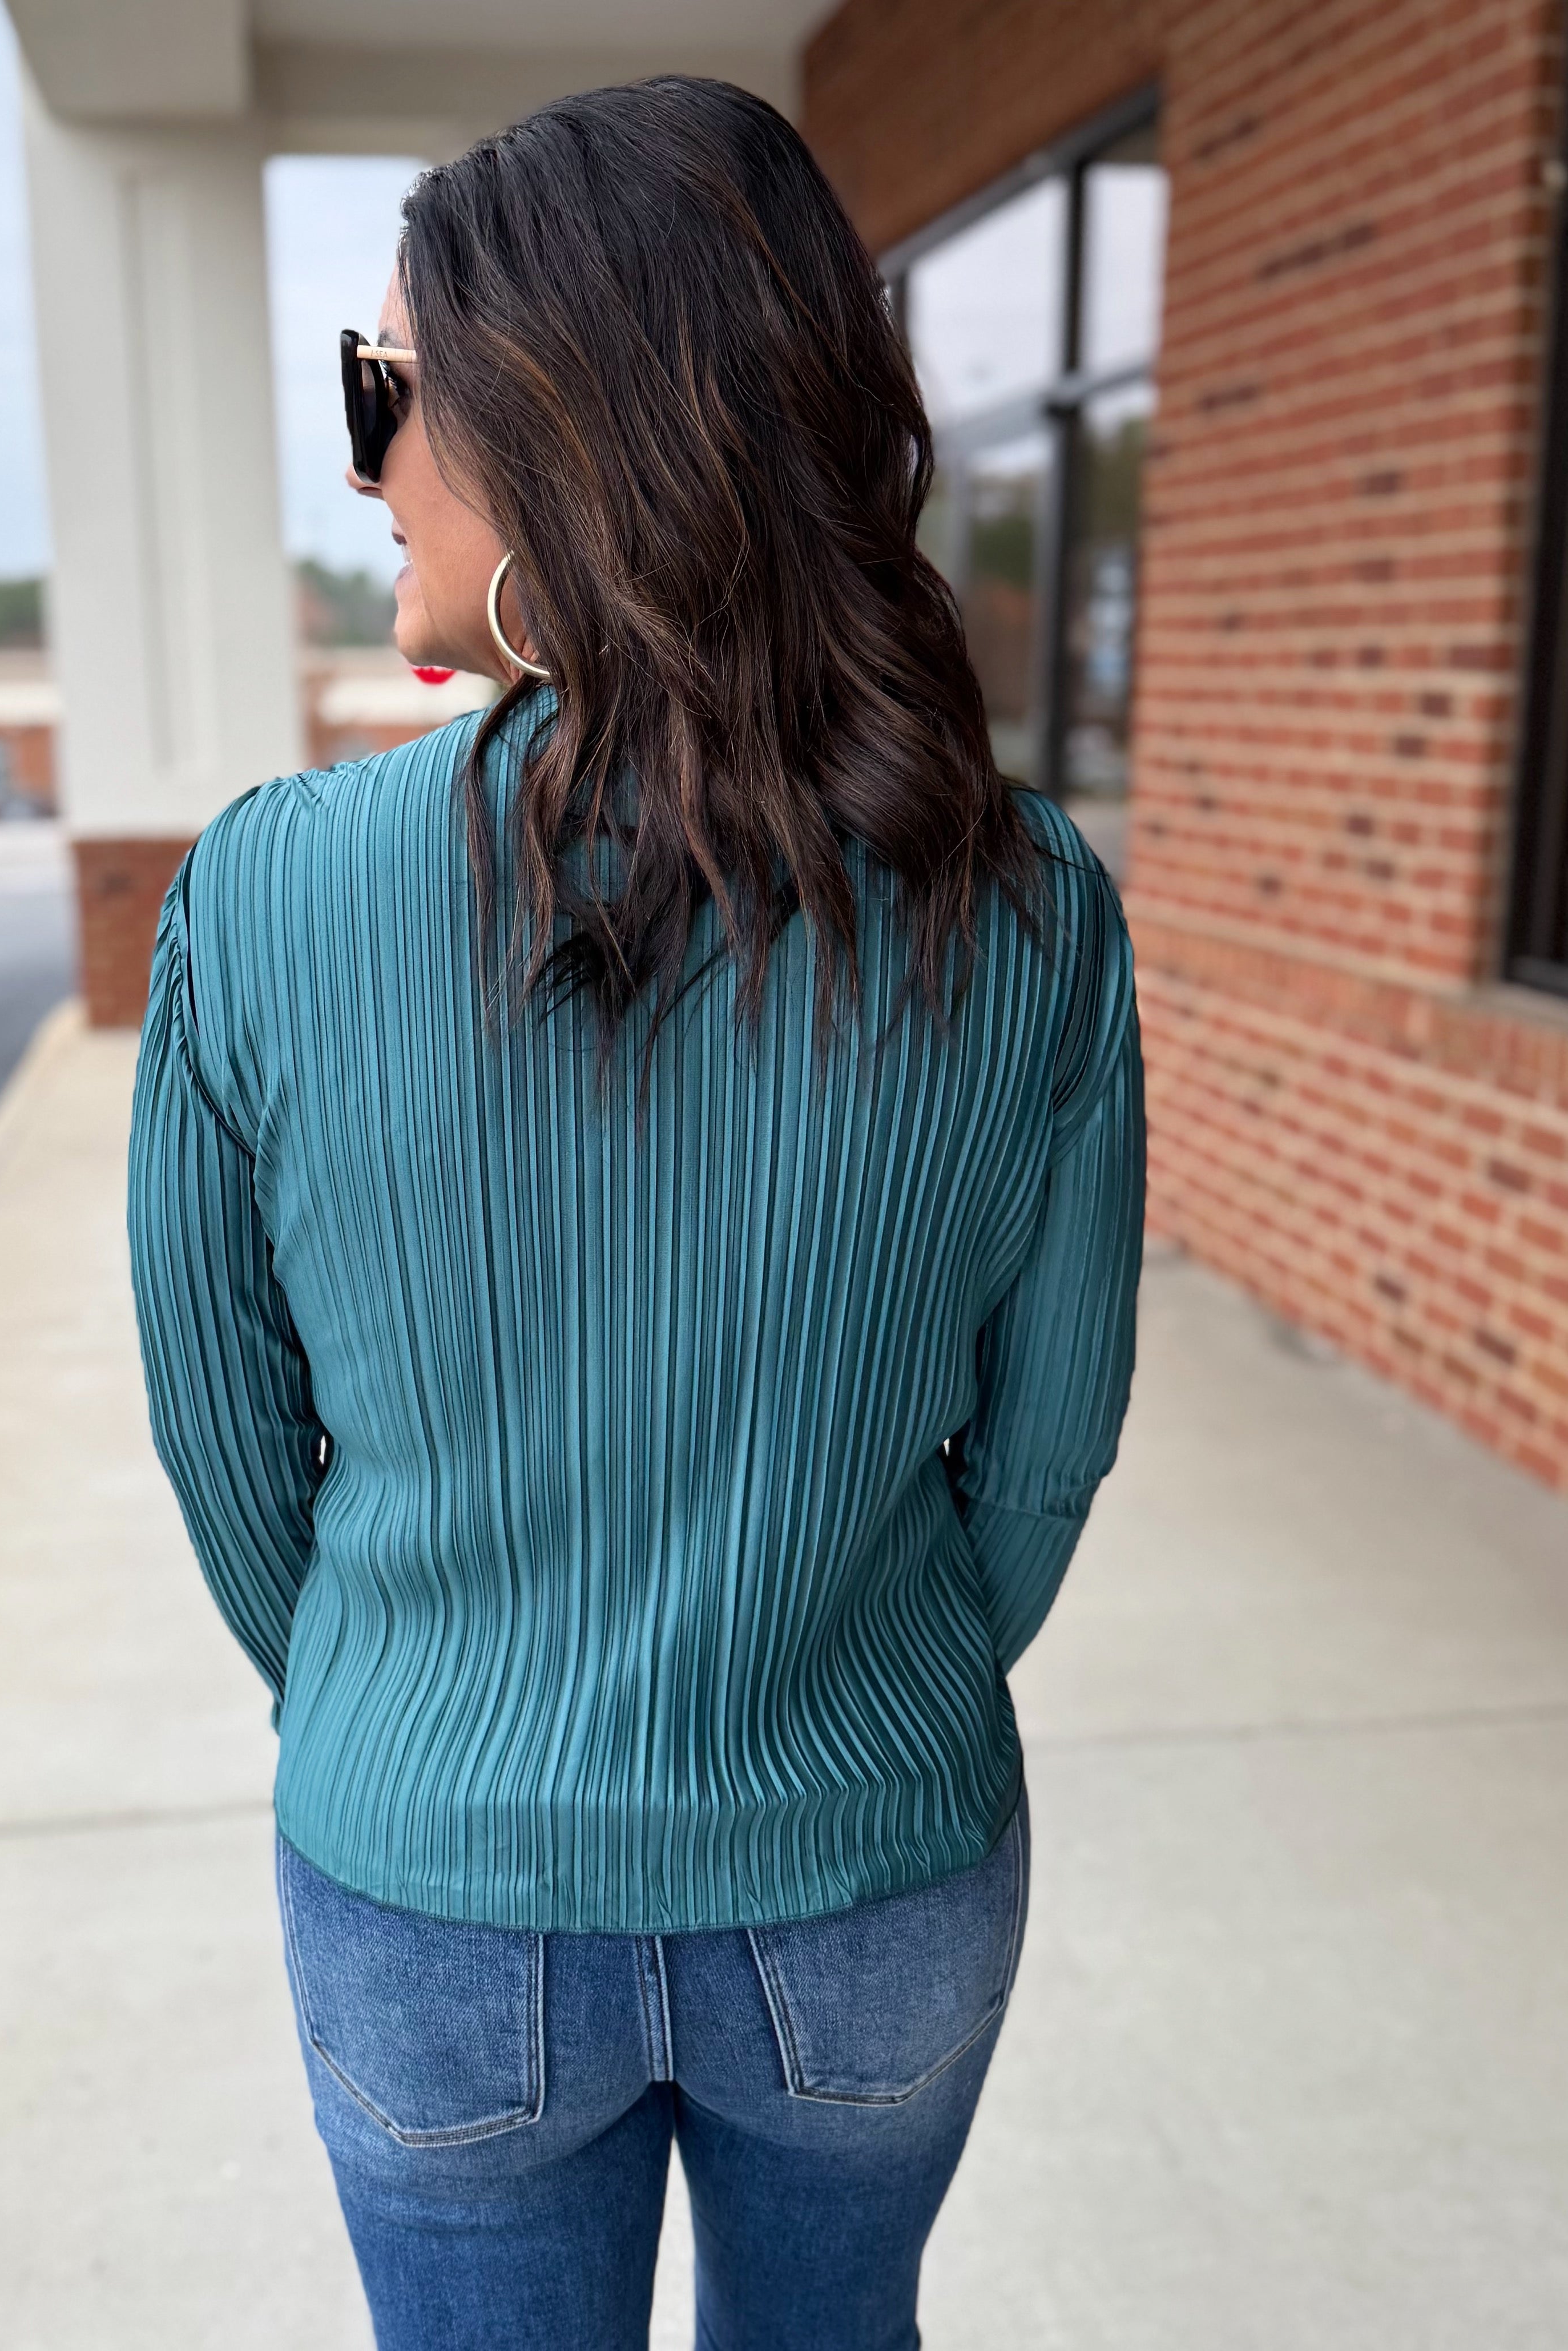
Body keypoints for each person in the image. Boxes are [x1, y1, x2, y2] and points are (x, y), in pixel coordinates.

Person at [128, 74, 1143, 2351]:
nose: (363, 463)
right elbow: (1044, 1455)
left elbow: (228, 1464)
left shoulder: (262, 895)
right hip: (872, 1868)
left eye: (383, 392)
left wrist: (415, 1713)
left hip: (432, 1897)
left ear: (558, 427)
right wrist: (855, 1693)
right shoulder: (1028, 899)